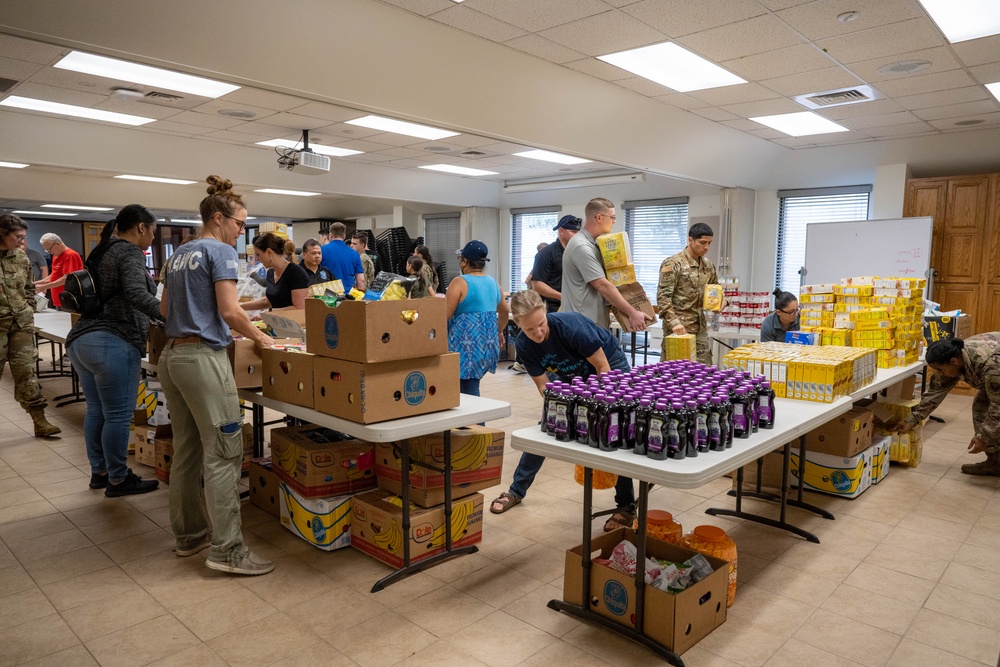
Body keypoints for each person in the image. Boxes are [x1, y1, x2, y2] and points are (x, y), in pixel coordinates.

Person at [159, 175, 275, 576]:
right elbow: (229, 311)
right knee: (225, 453)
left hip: (172, 358)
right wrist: (261, 337)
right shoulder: (220, 252)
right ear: (220, 218)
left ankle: (190, 536)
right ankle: (228, 551)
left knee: (189, 450)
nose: (242, 232)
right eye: (240, 224)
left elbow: (164, 311)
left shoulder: (178, 254)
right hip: (203, 359)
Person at [490, 290, 636, 529]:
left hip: (607, 363)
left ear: (547, 313)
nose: (538, 333)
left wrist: (598, 407)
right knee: (548, 426)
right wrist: (561, 411)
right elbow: (544, 387)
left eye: (541, 324)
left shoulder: (572, 327)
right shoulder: (525, 346)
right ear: (517, 324)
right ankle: (516, 491)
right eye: (529, 329)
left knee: (611, 430)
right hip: (572, 375)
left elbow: (602, 367)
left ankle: (626, 506)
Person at [66, 205, 162, 496]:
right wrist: (171, 315)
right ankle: (119, 479)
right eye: (153, 231)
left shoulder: (103, 249)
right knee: (119, 415)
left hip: (82, 340)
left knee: (97, 410)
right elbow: (136, 293)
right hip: (113, 341)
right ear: (141, 228)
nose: (153, 239)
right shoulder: (130, 251)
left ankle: (101, 472)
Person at [895, 335, 1000, 476]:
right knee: (981, 407)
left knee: (993, 414)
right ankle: (996, 463)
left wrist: (983, 437)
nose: (939, 374)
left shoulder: (990, 365)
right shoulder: (952, 358)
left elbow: (998, 407)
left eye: (940, 369)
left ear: (954, 362)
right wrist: (912, 420)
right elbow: (934, 393)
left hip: (996, 369)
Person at [0, 214, 60, 437]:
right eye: (18, 237)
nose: (22, 242)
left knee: (27, 373)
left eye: (24, 237)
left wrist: (29, 309)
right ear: (3, 234)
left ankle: (40, 421)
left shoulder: (21, 258)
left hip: (20, 325)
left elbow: (29, 288)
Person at [561, 198, 649, 332]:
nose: (614, 221)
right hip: (582, 326)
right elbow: (602, 285)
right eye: (612, 217)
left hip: (593, 323)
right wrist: (632, 312)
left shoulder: (594, 244)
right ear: (599, 217)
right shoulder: (581, 246)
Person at [446, 240, 509, 396]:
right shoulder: (493, 283)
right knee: (471, 388)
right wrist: (498, 331)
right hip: (486, 347)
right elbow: (505, 311)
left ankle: (476, 421)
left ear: (465, 261)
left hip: (465, 349)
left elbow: (443, 316)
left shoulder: (459, 282)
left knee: (468, 394)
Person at [657, 222, 720, 365]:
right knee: (675, 373)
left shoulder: (708, 265)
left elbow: (716, 289)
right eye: (702, 242)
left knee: (704, 372)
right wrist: (674, 323)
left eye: (709, 243)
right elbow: (663, 298)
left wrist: (723, 301)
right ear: (690, 240)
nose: (706, 247)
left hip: (700, 328)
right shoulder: (673, 263)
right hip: (679, 329)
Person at [240, 232, 309, 311]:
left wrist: (270, 313)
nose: (257, 259)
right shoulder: (271, 273)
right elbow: (268, 301)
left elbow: (299, 308)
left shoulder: (296, 273)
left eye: (258, 254)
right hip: (275, 321)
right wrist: (240, 307)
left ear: (269, 252)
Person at [532, 215, 581, 313]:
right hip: (551, 310)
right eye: (573, 232)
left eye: (578, 233)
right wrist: (561, 296)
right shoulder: (545, 254)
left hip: (574, 308)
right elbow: (537, 285)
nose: (577, 236)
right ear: (561, 231)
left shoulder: (577, 253)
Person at [34, 233, 83, 309]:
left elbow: (66, 279)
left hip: (69, 300)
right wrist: (37, 283)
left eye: (49, 249)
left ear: (57, 244)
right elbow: (54, 275)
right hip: (58, 299)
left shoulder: (70, 255)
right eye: (47, 250)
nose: (49, 252)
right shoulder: (56, 256)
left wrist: (44, 287)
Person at [320, 222, 365, 292]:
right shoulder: (354, 254)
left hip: (328, 297)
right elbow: (361, 280)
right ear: (344, 236)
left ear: (330, 235)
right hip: (348, 297)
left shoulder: (321, 251)